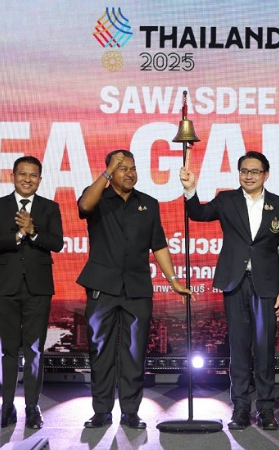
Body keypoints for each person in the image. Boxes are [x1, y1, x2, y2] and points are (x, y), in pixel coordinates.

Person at [179, 151, 279, 430]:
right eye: (244, 171)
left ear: (265, 175)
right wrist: (190, 189)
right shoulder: (226, 200)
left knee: (265, 349)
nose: (248, 176)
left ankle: (266, 409)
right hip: (235, 282)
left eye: (254, 171)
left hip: (267, 285)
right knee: (239, 348)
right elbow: (198, 214)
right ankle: (241, 408)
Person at [77, 150, 192, 430]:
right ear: (109, 171)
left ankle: (130, 411)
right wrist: (106, 174)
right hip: (102, 287)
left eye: (132, 168)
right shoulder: (98, 197)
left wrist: (173, 279)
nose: (129, 173)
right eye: (121, 168)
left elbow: (158, 244)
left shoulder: (148, 204)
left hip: (138, 289)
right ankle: (101, 411)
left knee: (134, 352)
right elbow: (84, 206)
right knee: (101, 352)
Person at [0, 156, 64, 429]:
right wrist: (18, 235)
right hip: (6, 287)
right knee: (7, 350)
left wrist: (32, 230)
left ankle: (32, 407)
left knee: (34, 350)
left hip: (38, 288)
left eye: (33, 175)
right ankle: (7, 406)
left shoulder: (50, 207)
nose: (27, 179)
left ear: (40, 180)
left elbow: (57, 243)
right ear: (13, 176)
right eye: (22, 174)